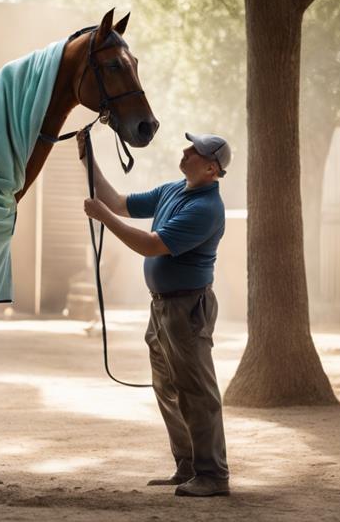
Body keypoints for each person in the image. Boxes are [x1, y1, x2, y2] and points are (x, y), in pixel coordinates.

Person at [79, 131, 232, 497]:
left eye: (194, 151)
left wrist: (103, 218)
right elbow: (116, 201)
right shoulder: (171, 190)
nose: (185, 151)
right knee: (168, 388)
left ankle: (213, 475)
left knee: (196, 391)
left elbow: (152, 244)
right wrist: (88, 158)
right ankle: (188, 467)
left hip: (187, 308)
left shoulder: (206, 209)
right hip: (163, 305)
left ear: (211, 168)